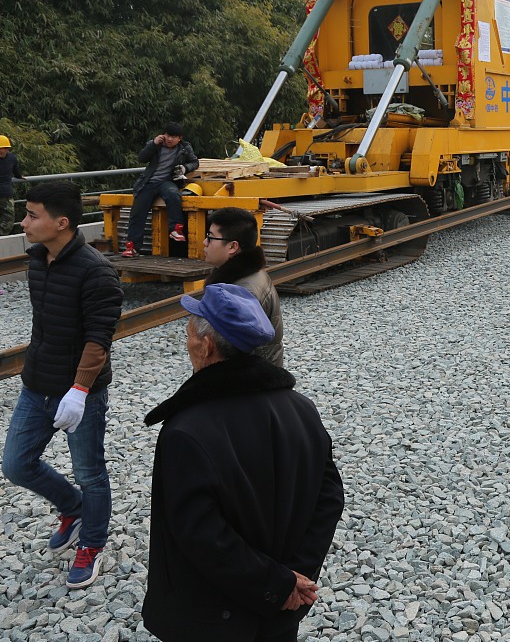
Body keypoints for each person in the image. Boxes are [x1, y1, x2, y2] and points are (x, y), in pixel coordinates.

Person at [142, 283, 345, 642]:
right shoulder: (302, 410)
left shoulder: (186, 431)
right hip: (281, 612)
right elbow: (328, 498)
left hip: (209, 619)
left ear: (206, 346)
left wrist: (277, 583)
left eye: (188, 334)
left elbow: (200, 532)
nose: (187, 342)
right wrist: (294, 578)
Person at [1, 182, 123, 588]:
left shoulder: (97, 272)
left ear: (61, 223)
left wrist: (80, 390)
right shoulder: (38, 260)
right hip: (37, 384)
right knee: (17, 464)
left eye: (32, 215)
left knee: (90, 473)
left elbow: (98, 338)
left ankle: (92, 543)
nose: (24, 223)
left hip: (78, 392)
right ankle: (73, 508)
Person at [202, 207, 284, 366]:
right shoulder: (247, 276)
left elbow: (231, 356)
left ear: (233, 247)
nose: (205, 242)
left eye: (210, 237)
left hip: (247, 378)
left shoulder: (241, 294)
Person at [122, 122, 200, 257]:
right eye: (168, 135)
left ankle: (176, 229)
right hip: (149, 182)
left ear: (179, 138)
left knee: (173, 195)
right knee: (138, 211)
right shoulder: (155, 145)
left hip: (167, 181)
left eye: (173, 137)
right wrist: (153, 144)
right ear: (164, 135)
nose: (170, 139)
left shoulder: (185, 147)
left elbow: (195, 162)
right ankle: (132, 247)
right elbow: (141, 158)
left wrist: (185, 168)